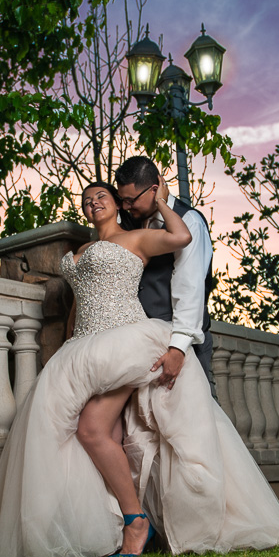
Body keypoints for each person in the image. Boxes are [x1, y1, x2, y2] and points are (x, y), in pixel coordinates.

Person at [0, 181, 279, 557]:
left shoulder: (136, 238)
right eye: (86, 200)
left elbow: (181, 236)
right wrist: (69, 342)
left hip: (124, 341)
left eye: (101, 196)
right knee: (102, 436)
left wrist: (163, 202)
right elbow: (78, 302)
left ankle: (137, 523)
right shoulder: (79, 251)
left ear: (118, 204)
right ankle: (109, 522)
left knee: (91, 430)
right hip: (83, 348)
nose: (92, 202)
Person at [115, 156, 214, 390]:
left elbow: (189, 286)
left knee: (195, 415)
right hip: (142, 338)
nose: (126, 207)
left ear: (155, 189)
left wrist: (178, 348)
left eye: (130, 200)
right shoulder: (131, 219)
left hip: (179, 338)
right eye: (122, 200)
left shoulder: (189, 221)